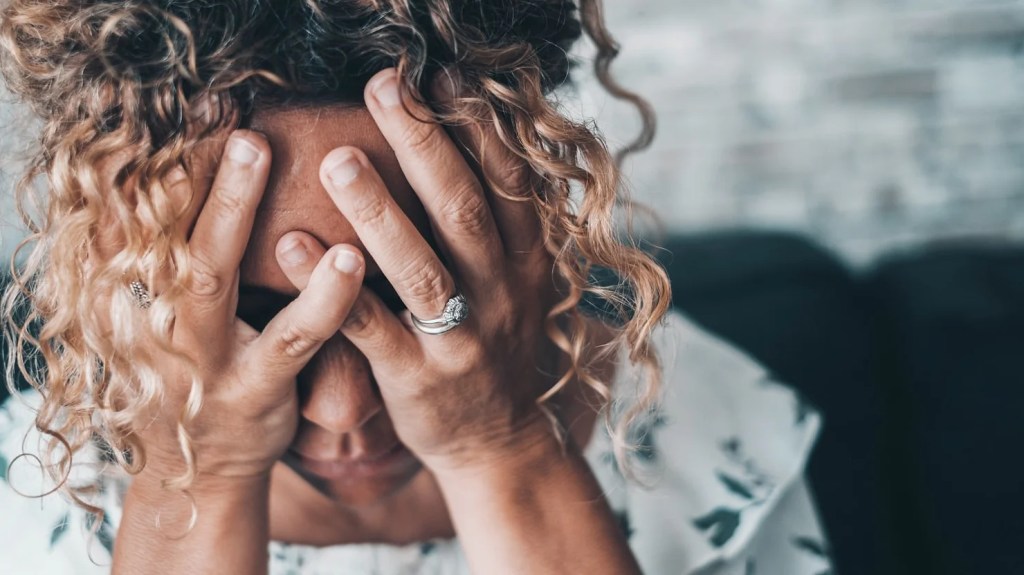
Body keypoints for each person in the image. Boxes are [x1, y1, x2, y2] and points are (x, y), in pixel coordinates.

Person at [0, 1, 833, 573]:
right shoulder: (35, 493)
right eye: (255, 321)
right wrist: (202, 471)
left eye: (414, 301)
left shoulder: (716, 443)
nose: (344, 415)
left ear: (526, 219)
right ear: (125, 253)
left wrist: (500, 447)